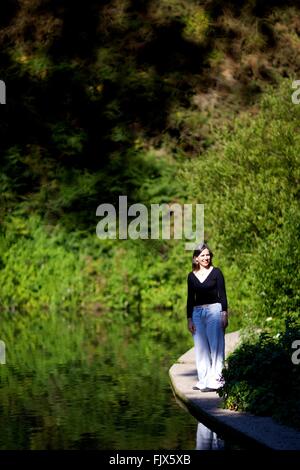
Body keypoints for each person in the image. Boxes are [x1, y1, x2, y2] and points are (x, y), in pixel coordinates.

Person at [187, 243, 228, 392]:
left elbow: (222, 295)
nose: (206, 257)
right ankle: (204, 380)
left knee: (216, 347)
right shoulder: (191, 276)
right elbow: (190, 298)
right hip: (197, 313)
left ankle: (217, 380)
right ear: (196, 258)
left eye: (208, 254)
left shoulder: (216, 272)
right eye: (202, 255)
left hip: (214, 311)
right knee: (201, 348)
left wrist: (224, 313)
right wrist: (189, 318)